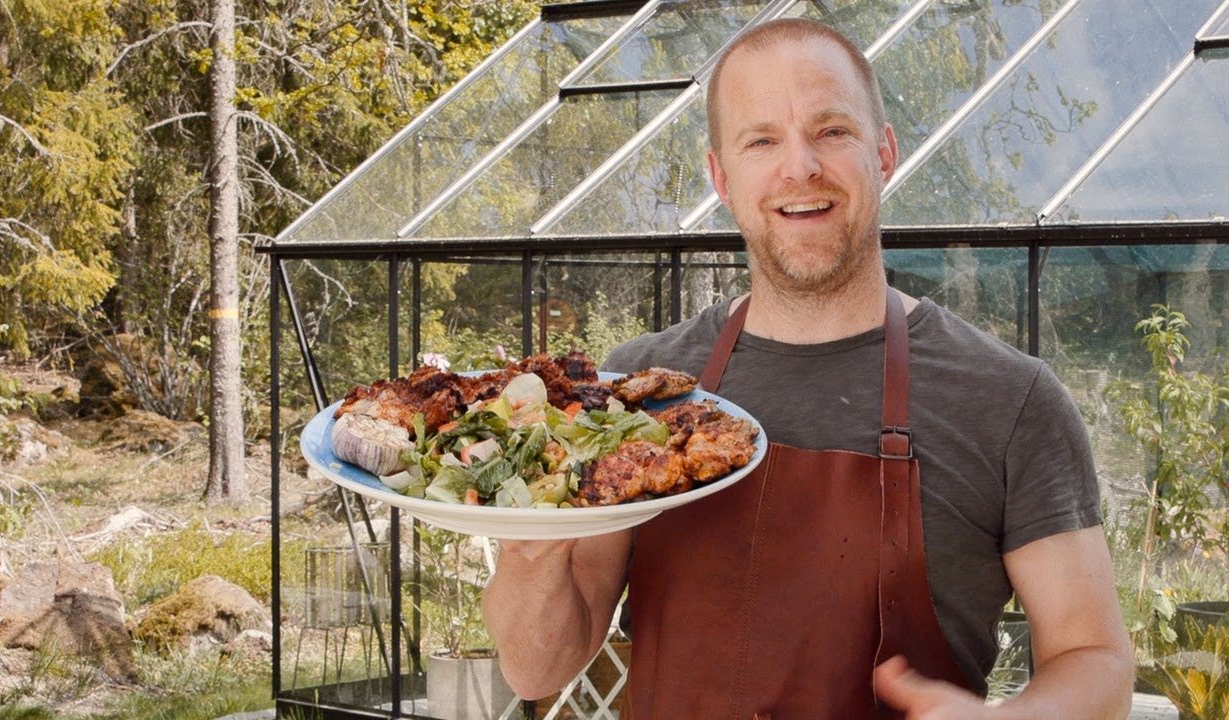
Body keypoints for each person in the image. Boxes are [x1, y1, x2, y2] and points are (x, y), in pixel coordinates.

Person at [482, 18, 1133, 719]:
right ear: (721, 177)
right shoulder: (633, 393)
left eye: (832, 131)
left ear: (883, 153)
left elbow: (1094, 658)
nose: (800, 167)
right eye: (762, 140)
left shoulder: (1009, 400)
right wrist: (529, 541)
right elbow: (535, 667)